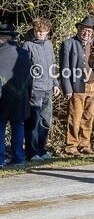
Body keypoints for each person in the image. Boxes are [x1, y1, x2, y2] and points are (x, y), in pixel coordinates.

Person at [60, 17, 94, 156]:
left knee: (88, 117)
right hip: (77, 86)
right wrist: (67, 88)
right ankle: (71, 146)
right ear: (78, 29)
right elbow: (64, 69)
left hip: (93, 86)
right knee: (74, 117)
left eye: (89, 31)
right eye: (84, 30)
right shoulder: (68, 44)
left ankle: (85, 145)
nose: (86, 33)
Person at [23, 17, 58, 161]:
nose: (39, 34)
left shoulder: (49, 44)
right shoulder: (27, 45)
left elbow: (53, 65)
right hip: (34, 89)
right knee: (33, 121)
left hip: (48, 87)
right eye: (37, 31)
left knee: (45, 121)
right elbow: (23, 68)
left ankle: (42, 150)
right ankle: (32, 152)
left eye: (42, 31)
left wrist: (55, 83)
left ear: (48, 31)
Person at [0, 23, 31, 167]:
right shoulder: (23, 53)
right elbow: (30, 77)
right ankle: (18, 158)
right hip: (20, 97)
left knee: (0, 127)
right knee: (18, 127)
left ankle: (0, 159)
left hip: (3, 98)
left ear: (2, 37)